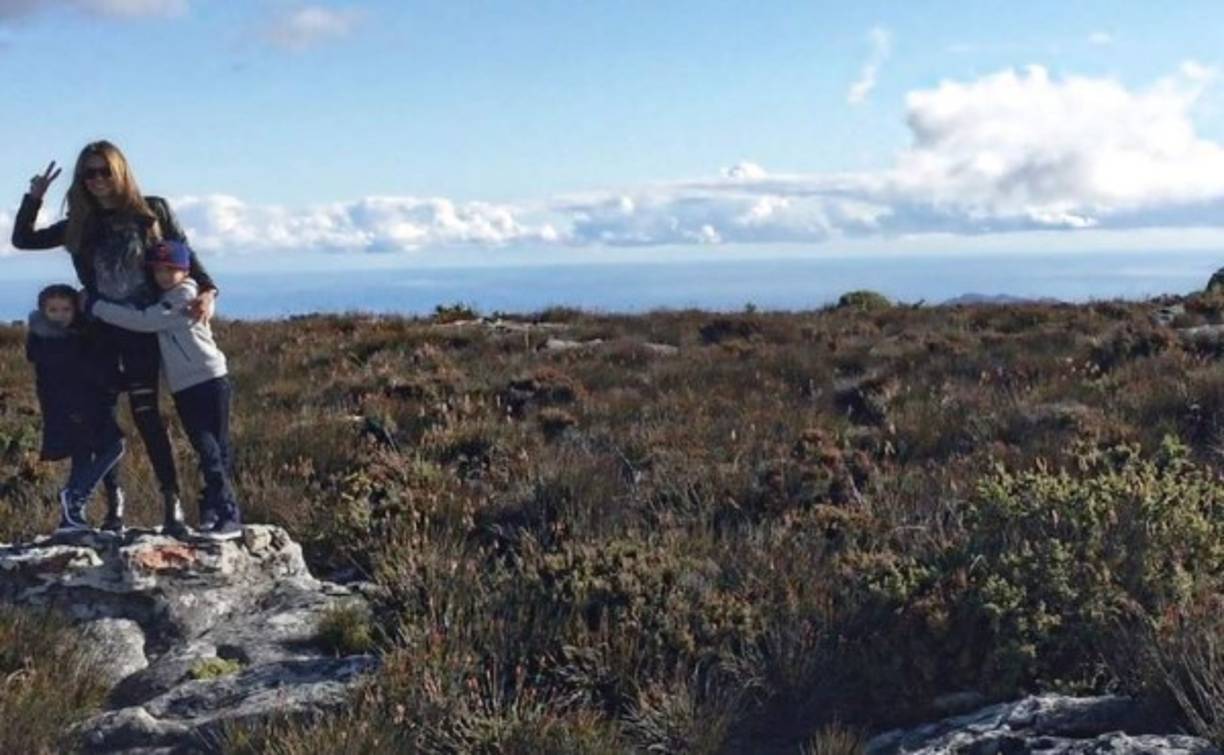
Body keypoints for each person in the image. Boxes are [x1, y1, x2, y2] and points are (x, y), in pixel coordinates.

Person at [12, 142, 218, 537]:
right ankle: (114, 509)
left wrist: (208, 292)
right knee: (100, 419)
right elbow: (24, 239)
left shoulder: (151, 212)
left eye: (104, 171)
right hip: (98, 336)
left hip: (141, 332)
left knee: (146, 417)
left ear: (120, 171)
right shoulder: (79, 223)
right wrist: (34, 197)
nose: (98, 180)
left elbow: (187, 258)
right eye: (89, 174)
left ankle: (172, 505)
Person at [89, 241, 242, 540]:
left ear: (185, 271)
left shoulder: (183, 296)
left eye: (170, 269)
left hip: (208, 379)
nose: (163, 275)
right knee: (212, 449)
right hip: (187, 385)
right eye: (158, 270)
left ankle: (228, 515)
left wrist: (97, 307)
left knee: (210, 448)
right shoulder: (170, 296)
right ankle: (212, 510)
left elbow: (144, 322)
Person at [26, 283, 126, 532]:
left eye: (65, 309)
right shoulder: (49, 342)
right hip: (72, 408)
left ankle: (71, 518)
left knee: (83, 457)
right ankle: (76, 496)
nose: (60, 315)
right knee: (114, 445)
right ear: (43, 311)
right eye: (53, 310)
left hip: (85, 405)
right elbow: (78, 374)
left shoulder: (73, 335)